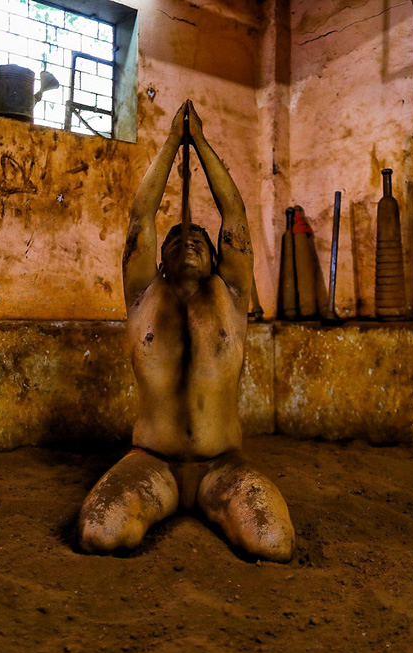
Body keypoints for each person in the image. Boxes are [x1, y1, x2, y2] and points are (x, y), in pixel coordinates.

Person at [77, 101, 294, 562]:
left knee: (273, 542)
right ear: (159, 257)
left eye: (199, 240)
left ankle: (216, 508)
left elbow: (233, 215)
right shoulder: (143, 294)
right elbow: (141, 216)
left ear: (217, 258)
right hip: (153, 464)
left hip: (223, 466)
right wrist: (175, 140)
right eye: (176, 239)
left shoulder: (231, 294)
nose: (189, 239)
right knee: (101, 531)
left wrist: (202, 143)